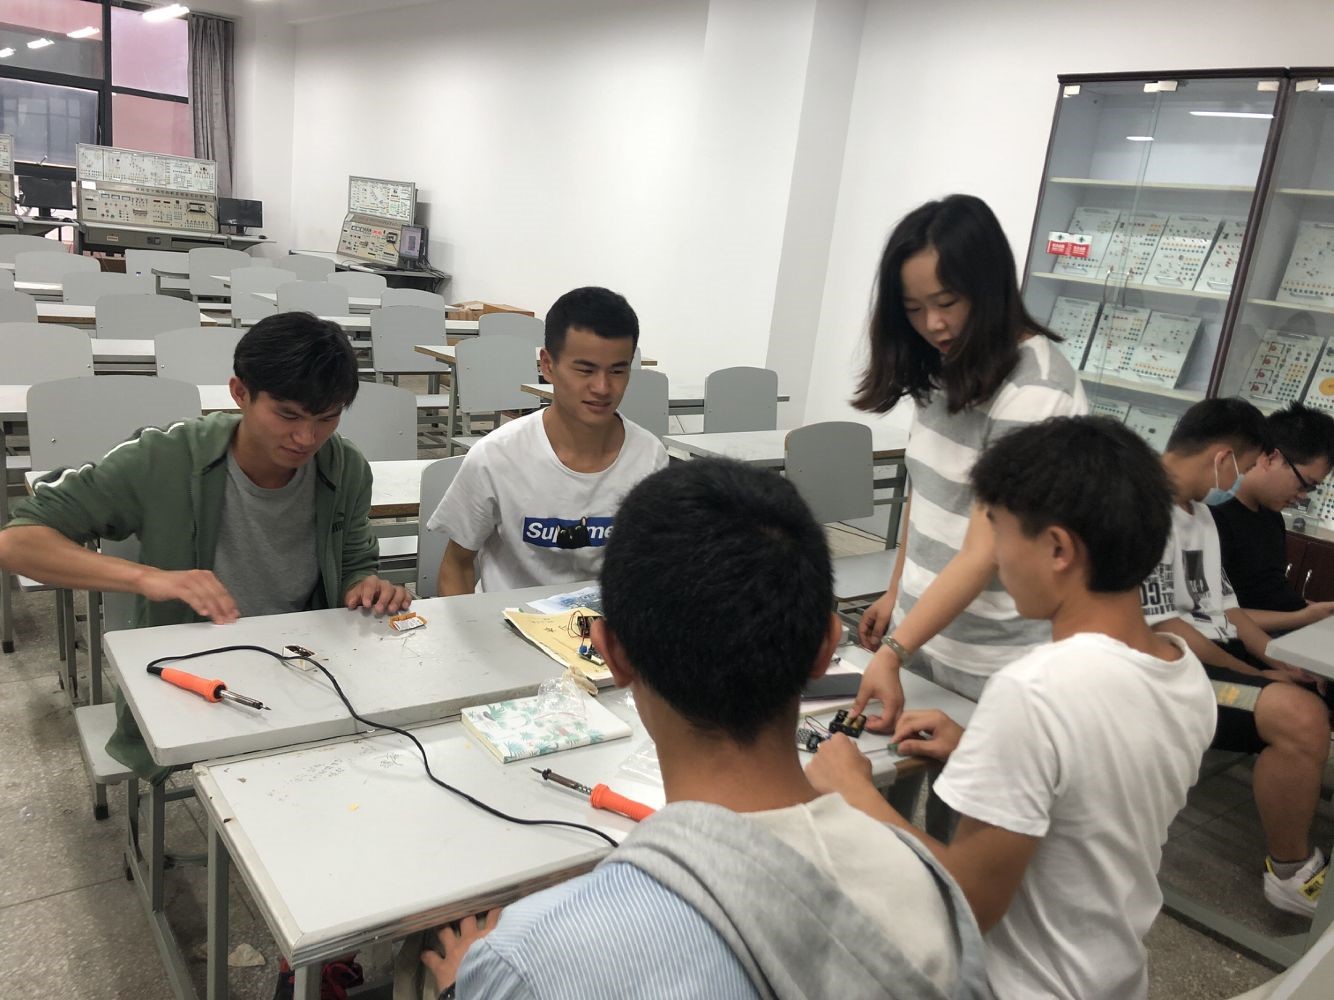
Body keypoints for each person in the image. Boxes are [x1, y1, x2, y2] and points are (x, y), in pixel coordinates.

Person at [419, 459, 991, 1000]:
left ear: (612, 654)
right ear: (825, 646)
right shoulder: (931, 892)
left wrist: (463, 985)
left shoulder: (530, 960)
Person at [808, 416, 1216, 1000]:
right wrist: (978, 750)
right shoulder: (1181, 667)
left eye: (999, 535)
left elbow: (967, 903)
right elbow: (1096, 797)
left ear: (1057, 548)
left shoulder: (1035, 691)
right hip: (1114, 978)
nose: (994, 559)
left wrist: (856, 797)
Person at [0, 312, 411, 780]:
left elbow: (355, 560)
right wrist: (147, 578)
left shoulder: (345, 467)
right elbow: (18, 543)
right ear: (240, 393)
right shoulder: (166, 457)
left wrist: (366, 585)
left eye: (327, 418)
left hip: (301, 663)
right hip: (195, 671)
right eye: (288, 415)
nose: (306, 438)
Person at [851, 194, 1088, 728]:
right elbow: (928, 495)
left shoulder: (1036, 392)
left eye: (947, 302)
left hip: (993, 662)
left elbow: (984, 552)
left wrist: (894, 650)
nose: (933, 324)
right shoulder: (946, 367)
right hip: (924, 638)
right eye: (913, 309)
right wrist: (897, 596)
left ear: (989, 287)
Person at [1143, 397, 1331, 917]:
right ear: (1224, 457)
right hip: (1168, 668)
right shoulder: (1141, 511)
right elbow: (1169, 628)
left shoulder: (1201, 516)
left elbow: (1226, 610)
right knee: (1300, 716)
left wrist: (1276, 662)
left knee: (1304, 690)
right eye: (1243, 466)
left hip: (1211, 656)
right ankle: (1291, 873)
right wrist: (1257, 675)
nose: (1239, 478)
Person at [429, 286, 667, 596]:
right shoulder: (496, 456)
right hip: (504, 620)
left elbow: (656, 566)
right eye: (585, 370)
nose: (602, 387)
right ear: (547, 365)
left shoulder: (649, 458)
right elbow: (456, 565)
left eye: (618, 371)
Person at [1210, 402, 1334, 633]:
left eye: (1311, 489)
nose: (1302, 496)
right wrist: (1304, 617)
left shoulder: (1271, 515)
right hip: (1246, 641)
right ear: (1270, 458)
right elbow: (1211, 615)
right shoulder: (1216, 516)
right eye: (1304, 483)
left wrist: (1317, 612)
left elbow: (1272, 594)